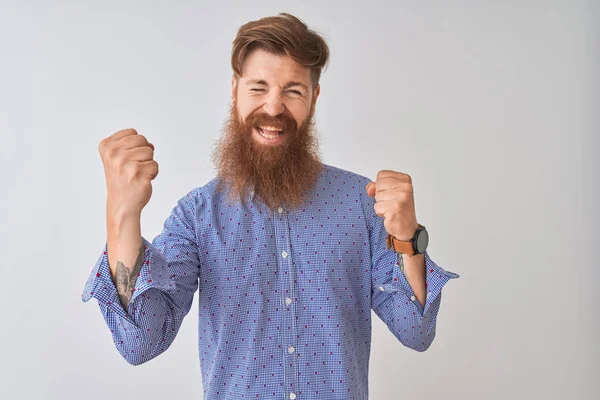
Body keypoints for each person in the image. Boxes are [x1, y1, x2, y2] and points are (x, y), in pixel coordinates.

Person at [82, 12, 459, 399]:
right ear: (235, 90)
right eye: (258, 88)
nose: (274, 108)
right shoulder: (197, 215)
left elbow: (416, 331)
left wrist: (406, 236)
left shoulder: (362, 204)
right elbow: (141, 343)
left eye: (293, 91)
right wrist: (121, 215)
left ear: (313, 98)